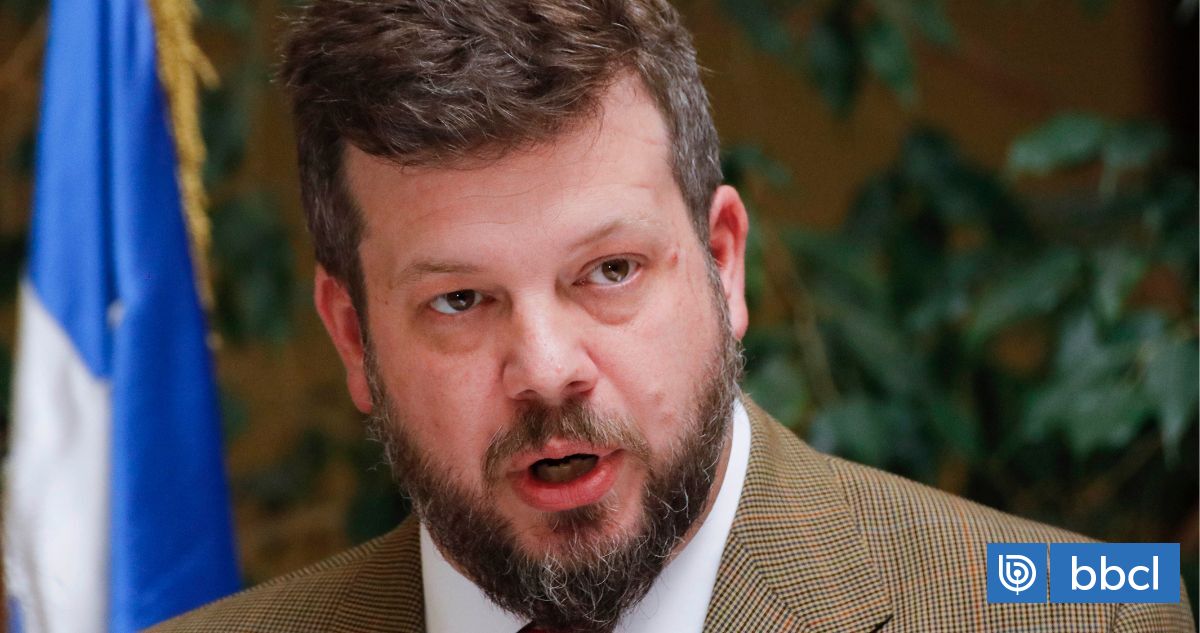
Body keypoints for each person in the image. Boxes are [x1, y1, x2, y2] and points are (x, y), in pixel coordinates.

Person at [153, 0, 1193, 631]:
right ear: (353, 335)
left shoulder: (1082, 614)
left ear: (723, 263)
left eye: (608, 270)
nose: (546, 367)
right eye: (460, 300)